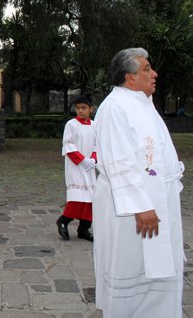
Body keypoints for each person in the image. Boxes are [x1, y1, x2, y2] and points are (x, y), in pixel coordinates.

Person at [93, 48, 185, 317]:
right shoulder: (114, 107)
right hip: (134, 208)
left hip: (160, 195)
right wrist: (141, 206)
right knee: (133, 265)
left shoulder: (142, 102)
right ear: (129, 77)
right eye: (147, 69)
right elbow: (119, 161)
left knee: (158, 270)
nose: (154, 74)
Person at [56, 95, 97, 242]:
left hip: (89, 166)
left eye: (84, 108)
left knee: (90, 198)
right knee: (76, 196)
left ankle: (84, 228)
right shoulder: (71, 125)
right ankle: (63, 220)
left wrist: (93, 159)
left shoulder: (95, 125)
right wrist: (82, 160)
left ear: (90, 109)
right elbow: (68, 145)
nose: (80, 111)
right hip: (75, 165)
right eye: (78, 108)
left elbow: (97, 145)